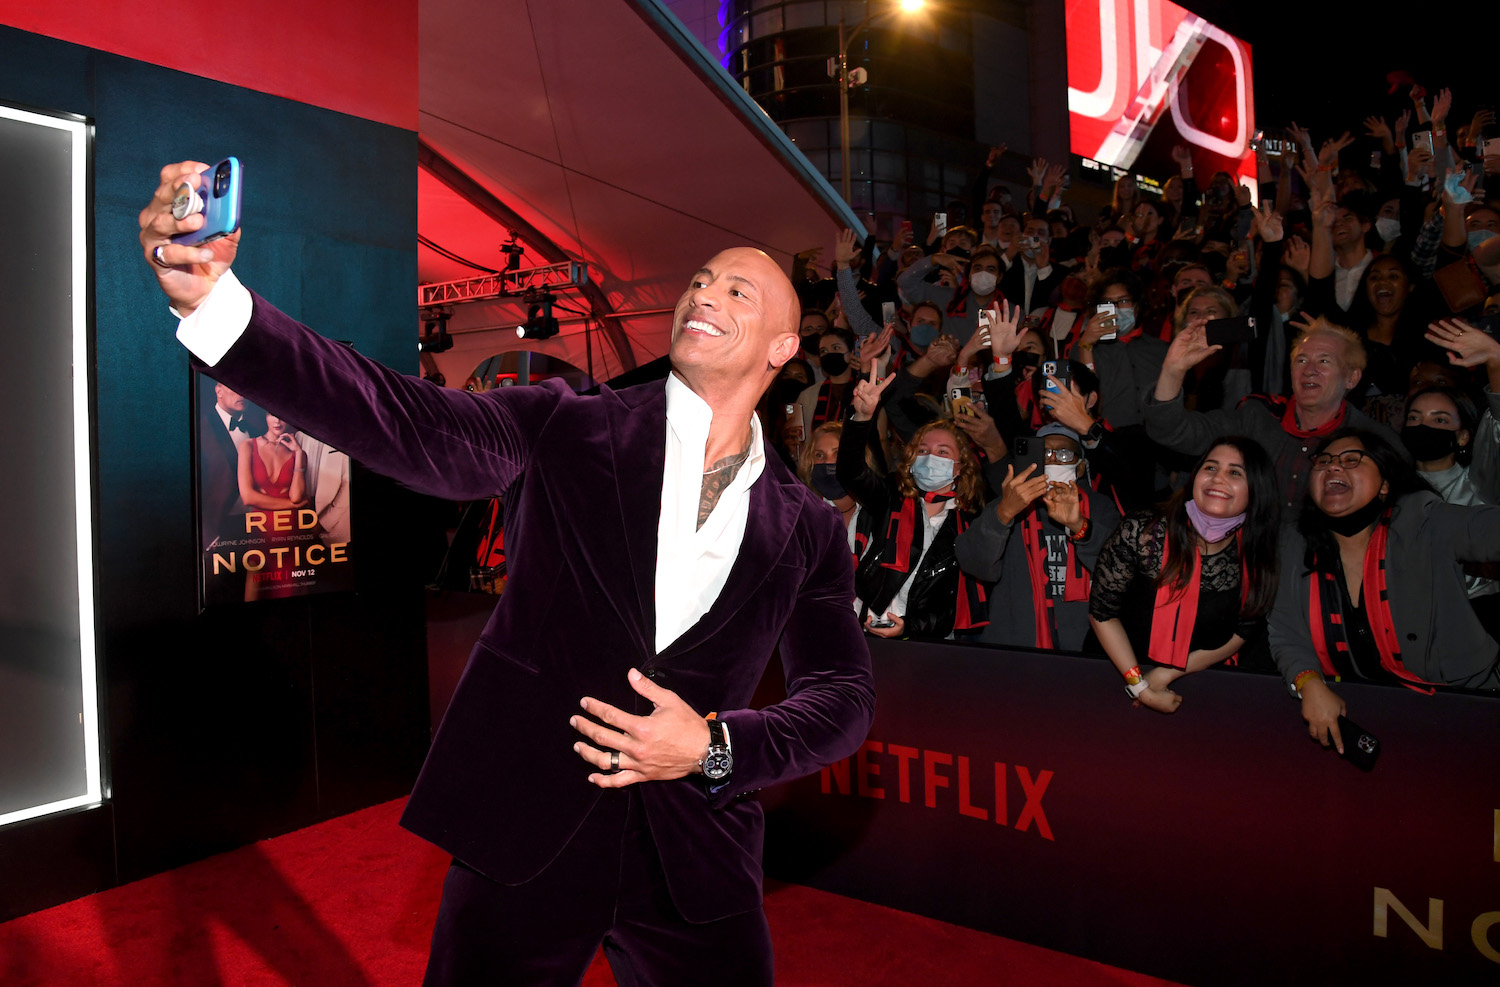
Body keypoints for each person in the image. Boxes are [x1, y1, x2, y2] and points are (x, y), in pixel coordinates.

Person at [141, 161, 875, 985]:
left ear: (784, 346)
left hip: (696, 861)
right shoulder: (565, 424)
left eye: (739, 291)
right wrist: (218, 307)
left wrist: (711, 748)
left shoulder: (808, 526)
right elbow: (395, 414)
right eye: (700, 281)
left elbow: (843, 700)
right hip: (529, 828)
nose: (704, 294)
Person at [1270, 430, 1500, 754]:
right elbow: (1286, 630)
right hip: (1363, 714)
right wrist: (1308, 683)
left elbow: (1489, 530)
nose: (1334, 467)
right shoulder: (1294, 543)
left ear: (1385, 485)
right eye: (1324, 461)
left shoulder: (1424, 521)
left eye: (1352, 460)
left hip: (1465, 708)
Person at [1089, 437, 1281, 712]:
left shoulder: (1258, 550)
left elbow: (1243, 631)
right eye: (1210, 468)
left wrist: (1167, 674)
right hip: (1112, 674)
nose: (1218, 479)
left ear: (1257, 489)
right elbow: (1102, 613)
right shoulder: (1143, 529)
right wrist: (1140, 686)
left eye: (1235, 472)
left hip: (1193, 684)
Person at [1146, 319, 1402, 513]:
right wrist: (1172, 370)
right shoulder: (1258, 417)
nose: (1310, 370)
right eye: (1301, 360)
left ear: (1352, 377)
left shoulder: (1375, 442)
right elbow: (1171, 431)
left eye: (1324, 362)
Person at [839, 370, 989, 640]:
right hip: (862, 631)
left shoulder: (969, 523)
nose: (931, 457)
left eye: (943, 452)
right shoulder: (889, 497)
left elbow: (949, 605)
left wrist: (909, 627)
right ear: (910, 459)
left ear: (961, 466)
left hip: (928, 647)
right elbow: (851, 472)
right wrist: (860, 418)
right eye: (922, 450)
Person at [954, 423, 1120, 652]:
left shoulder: (1100, 507)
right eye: (1045, 454)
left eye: (1064, 454)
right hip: (1013, 651)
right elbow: (975, 565)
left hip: (1086, 653)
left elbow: (1121, 570)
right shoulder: (1008, 506)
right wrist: (1003, 513)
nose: (1052, 460)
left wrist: (1079, 526)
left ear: (1080, 468)